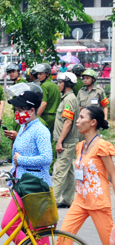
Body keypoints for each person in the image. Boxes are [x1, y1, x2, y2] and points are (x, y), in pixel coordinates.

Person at [1, 90, 52, 243]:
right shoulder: (24, 127)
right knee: (33, 230)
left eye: (20, 110)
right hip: (23, 185)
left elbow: (47, 158)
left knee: (13, 225)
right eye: (16, 110)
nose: (17, 113)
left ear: (31, 110)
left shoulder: (40, 130)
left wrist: (21, 159)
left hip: (35, 186)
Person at [59, 106, 115, 245]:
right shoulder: (80, 146)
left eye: (82, 117)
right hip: (80, 201)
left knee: (109, 242)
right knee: (63, 238)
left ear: (93, 122)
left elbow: (113, 174)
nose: (77, 121)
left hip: (99, 203)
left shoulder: (102, 146)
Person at [53, 72, 80, 209]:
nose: (58, 84)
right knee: (68, 171)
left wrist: (59, 142)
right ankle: (68, 199)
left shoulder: (69, 99)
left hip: (66, 142)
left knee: (60, 172)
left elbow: (68, 122)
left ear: (67, 84)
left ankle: (52, 200)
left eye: (60, 82)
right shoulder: (67, 98)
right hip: (66, 141)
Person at [34, 63, 61, 138]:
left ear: (47, 74)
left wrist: (35, 117)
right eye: (38, 74)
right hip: (55, 116)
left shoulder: (44, 86)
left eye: (41, 74)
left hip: (45, 116)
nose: (39, 76)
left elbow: (44, 103)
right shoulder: (55, 85)